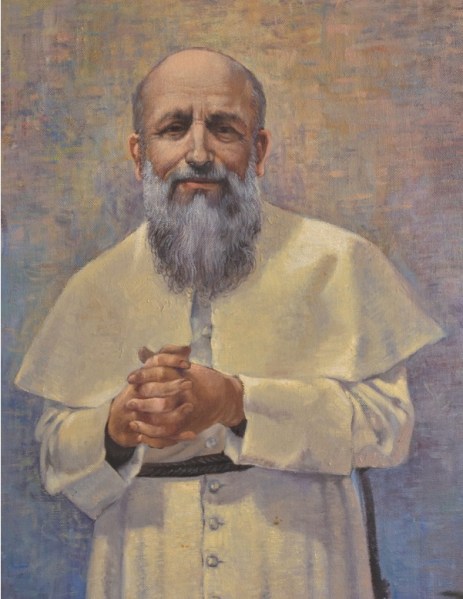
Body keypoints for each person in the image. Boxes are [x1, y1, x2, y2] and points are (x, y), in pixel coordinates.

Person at [16, 48, 444, 599]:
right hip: (148, 568)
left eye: (223, 128)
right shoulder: (95, 287)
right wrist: (117, 425)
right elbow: (54, 457)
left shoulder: (339, 262)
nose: (199, 153)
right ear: (139, 154)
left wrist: (237, 402)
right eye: (174, 129)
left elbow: (388, 431)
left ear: (258, 150)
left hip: (301, 564)